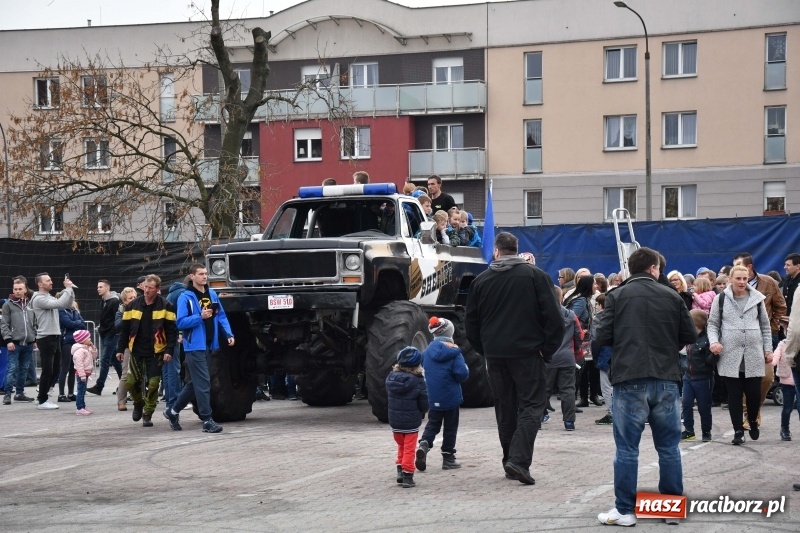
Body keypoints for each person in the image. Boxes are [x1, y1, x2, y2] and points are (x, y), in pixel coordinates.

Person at [594, 247, 696, 527]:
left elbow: (600, 334)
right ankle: (671, 510)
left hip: (629, 378)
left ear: (631, 269)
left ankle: (625, 511)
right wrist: (666, 348)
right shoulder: (672, 296)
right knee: (669, 448)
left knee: (627, 449)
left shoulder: (615, 296)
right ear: (653, 268)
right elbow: (689, 334)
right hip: (666, 379)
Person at [465, 232, 564, 485]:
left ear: (496, 251)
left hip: (496, 355)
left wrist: (485, 349)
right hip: (528, 353)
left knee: (505, 407)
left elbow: (471, 324)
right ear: (517, 251)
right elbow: (554, 319)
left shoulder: (481, 281)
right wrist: (547, 350)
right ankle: (518, 461)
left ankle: (510, 460)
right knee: (533, 404)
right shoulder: (536, 277)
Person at [707, 264, 773, 445]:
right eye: (738, 278)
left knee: (753, 395)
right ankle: (738, 431)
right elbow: (712, 325)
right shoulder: (720, 299)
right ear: (730, 279)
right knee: (734, 397)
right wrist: (714, 342)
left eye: (745, 279)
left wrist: (768, 350)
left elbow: (766, 328)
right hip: (730, 355)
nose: (742, 282)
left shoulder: (757, 299)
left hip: (753, 355)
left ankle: (752, 420)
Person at [164, 264, 233, 433]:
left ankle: (172, 411)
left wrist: (228, 334)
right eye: (200, 274)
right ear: (192, 276)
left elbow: (221, 316)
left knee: (196, 382)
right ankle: (207, 419)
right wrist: (200, 317)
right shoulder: (185, 297)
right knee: (203, 383)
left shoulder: (212, 294)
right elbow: (180, 322)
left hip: (210, 344)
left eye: (205, 274)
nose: (204, 277)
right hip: (194, 346)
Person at [732, 252, 786, 429]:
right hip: (737, 339)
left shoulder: (768, 283)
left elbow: (780, 306)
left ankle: (754, 409)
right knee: (741, 378)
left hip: (763, 337)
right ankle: (749, 413)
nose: (736, 270)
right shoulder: (731, 286)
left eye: (739, 265)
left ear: (749, 267)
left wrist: (772, 327)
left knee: (767, 377)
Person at [115, 274, 177, 427]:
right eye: (145, 287)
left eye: (150, 288)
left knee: (154, 384)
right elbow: (125, 330)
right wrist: (120, 349)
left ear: (157, 289)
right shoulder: (132, 305)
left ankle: (148, 413)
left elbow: (172, 331)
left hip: (156, 351)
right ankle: (138, 402)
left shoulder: (166, 305)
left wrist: (169, 350)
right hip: (136, 350)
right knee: (131, 383)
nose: (147, 291)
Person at [415, 317, 469, 472]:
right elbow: (461, 374)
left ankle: (424, 443)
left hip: (433, 396)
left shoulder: (426, 352)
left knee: (433, 424)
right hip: (451, 397)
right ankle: (448, 458)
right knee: (450, 427)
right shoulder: (454, 352)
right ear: (450, 332)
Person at [30, 272, 75, 410]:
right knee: (47, 370)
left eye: (50, 280)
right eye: (48, 280)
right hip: (46, 337)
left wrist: (70, 290)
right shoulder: (38, 298)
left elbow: (66, 304)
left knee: (56, 369)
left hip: (55, 336)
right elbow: (59, 302)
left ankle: (43, 395)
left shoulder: (48, 296)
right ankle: (43, 400)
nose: (51, 282)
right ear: (40, 284)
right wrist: (66, 289)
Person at [386, 346, 428, 488]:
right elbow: (424, 402)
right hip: (411, 422)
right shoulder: (418, 380)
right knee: (409, 448)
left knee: (401, 446)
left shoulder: (391, 378)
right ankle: (407, 476)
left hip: (395, 422)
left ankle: (400, 471)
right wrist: (424, 410)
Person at [545, 286, 582, 431]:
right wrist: (577, 350)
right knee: (567, 390)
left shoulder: (543, 315)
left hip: (548, 357)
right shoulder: (571, 315)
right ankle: (569, 422)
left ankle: (539, 416)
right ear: (561, 297)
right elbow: (579, 335)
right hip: (567, 357)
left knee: (544, 389)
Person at [680, 310, 715, 442]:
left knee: (703, 407)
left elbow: (710, 362)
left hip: (703, 378)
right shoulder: (690, 336)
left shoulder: (707, 340)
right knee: (686, 403)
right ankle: (689, 430)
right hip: (688, 377)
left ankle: (706, 431)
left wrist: (714, 354)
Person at [1, 278, 36, 404]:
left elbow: (34, 322)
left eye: (20, 289)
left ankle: (20, 393)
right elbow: (4, 324)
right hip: (14, 343)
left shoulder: (31, 304)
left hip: (28, 343)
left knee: (24, 369)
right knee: (11, 369)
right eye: (15, 289)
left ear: (25, 289)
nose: (17, 291)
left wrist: (34, 338)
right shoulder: (7, 305)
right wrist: (8, 340)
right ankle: (7, 394)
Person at [87, 280, 121, 396]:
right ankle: (124, 384)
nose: (98, 289)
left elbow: (116, 318)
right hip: (105, 333)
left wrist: (112, 332)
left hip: (111, 334)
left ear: (107, 288)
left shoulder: (114, 301)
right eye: (98, 287)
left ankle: (99, 386)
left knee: (104, 359)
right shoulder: (103, 301)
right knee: (114, 360)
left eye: (101, 287)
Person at [163, 276, 189, 413]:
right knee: (174, 368)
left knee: (168, 370)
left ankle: (169, 401)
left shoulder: (171, 294)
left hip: (165, 334)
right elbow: (180, 315)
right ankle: (176, 400)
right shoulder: (182, 294)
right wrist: (180, 332)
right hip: (173, 334)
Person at [56, 297, 87, 402]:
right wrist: (76, 323)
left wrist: (75, 323)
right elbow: (68, 323)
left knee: (73, 368)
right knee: (64, 367)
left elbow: (83, 324)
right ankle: (61, 394)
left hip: (76, 341)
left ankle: (70, 393)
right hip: (66, 341)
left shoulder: (74, 310)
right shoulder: (61, 310)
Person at [114, 287, 137, 411]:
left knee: (140, 374)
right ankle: (121, 401)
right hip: (128, 345)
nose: (133, 300)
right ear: (124, 301)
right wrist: (127, 315)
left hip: (141, 345)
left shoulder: (141, 309)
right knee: (126, 374)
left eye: (134, 297)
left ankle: (139, 398)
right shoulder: (121, 312)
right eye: (130, 298)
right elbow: (117, 327)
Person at [592, 294, 613, 426]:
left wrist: (595, 357)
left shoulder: (598, 318)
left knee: (606, 386)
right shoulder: (619, 316)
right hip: (619, 355)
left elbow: (595, 339)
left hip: (604, 354)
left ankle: (611, 412)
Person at [771, 339, 798, 441]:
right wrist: (769, 360)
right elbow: (774, 359)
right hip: (787, 381)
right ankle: (785, 429)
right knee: (787, 408)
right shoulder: (782, 344)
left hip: (798, 381)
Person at [71, 329, 97, 415]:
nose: (90, 339)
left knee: (83, 391)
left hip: (86, 373)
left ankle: (83, 405)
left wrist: (93, 347)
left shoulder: (87, 348)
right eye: (88, 338)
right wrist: (82, 375)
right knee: (81, 391)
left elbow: (94, 356)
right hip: (82, 373)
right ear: (83, 340)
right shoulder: (80, 351)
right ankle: (79, 408)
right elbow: (79, 364)